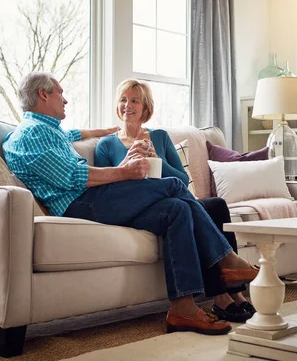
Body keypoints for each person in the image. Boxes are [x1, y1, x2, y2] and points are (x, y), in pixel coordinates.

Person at [3, 72, 258, 335]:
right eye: (60, 92)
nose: (65, 100)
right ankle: (228, 260)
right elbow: (73, 176)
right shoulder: (32, 134)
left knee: (177, 208)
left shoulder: (46, 129)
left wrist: (107, 132)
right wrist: (125, 171)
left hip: (90, 199)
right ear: (43, 94)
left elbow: (73, 135)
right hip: (79, 203)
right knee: (173, 186)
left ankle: (183, 308)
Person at [94, 79, 256, 323]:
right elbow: (107, 190)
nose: (127, 105)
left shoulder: (159, 137)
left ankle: (232, 293)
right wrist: (126, 163)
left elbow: (181, 179)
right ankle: (225, 290)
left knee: (216, 205)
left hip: (172, 196)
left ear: (145, 107)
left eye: (134, 100)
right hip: (143, 207)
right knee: (186, 208)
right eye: (123, 100)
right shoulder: (106, 145)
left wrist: (158, 158)